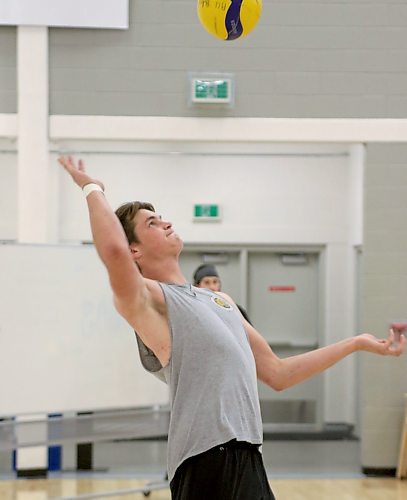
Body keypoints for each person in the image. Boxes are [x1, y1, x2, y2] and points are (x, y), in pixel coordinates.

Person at [58, 156, 405, 500]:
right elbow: (114, 253)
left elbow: (278, 374)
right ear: (135, 249)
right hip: (207, 460)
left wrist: (355, 343)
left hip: (248, 454)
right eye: (152, 223)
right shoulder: (150, 301)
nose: (165, 223)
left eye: (162, 217)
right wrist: (92, 188)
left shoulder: (221, 301)